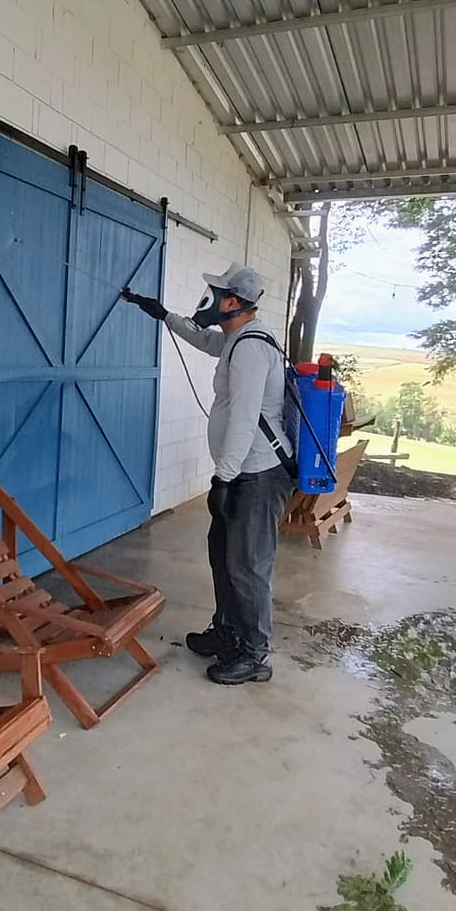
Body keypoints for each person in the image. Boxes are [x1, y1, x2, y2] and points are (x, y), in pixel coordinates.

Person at [122, 263, 295, 685]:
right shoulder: (237, 338)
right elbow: (204, 339)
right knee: (224, 557)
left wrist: (224, 477)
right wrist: (163, 315)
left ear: (232, 301)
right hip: (243, 474)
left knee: (247, 566)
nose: (211, 299)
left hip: (256, 475)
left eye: (218, 293)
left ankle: (255, 655)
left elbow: (243, 417)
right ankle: (228, 631)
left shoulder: (252, 348)